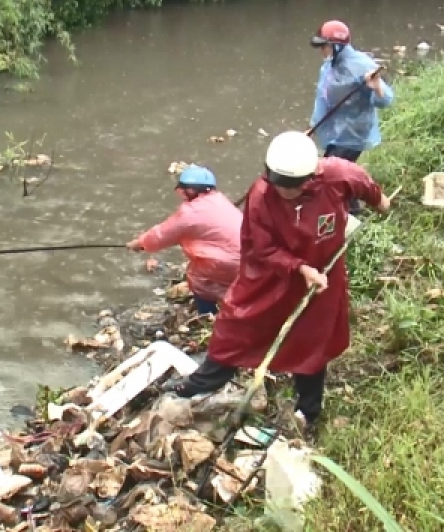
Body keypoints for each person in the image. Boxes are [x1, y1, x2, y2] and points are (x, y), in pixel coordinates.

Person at [166, 132, 390, 441]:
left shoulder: (338, 175)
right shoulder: (262, 194)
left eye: (291, 186)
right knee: (237, 324)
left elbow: (366, 187)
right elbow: (263, 247)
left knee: (312, 339)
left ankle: (308, 410)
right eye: (277, 183)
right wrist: (299, 267)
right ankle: (200, 384)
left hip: (321, 280)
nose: (282, 192)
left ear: (309, 178)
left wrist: (380, 203)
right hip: (271, 276)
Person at [126, 165, 242, 316]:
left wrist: (139, 244)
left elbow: (160, 235)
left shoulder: (190, 213)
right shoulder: (220, 200)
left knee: (198, 280)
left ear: (191, 190)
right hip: (248, 259)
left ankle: (207, 314)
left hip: (227, 264)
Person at [308, 20, 394, 215]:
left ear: (336, 45)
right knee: (337, 171)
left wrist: (377, 87)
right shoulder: (328, 66)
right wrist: (312, 127)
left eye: (324, 45)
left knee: (332, 173)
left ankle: (353, 211)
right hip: (334, 130)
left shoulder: (362, 65)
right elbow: (322, 99)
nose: (322, 50)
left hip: (354, 132)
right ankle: (352, 207)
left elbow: (386, 100)